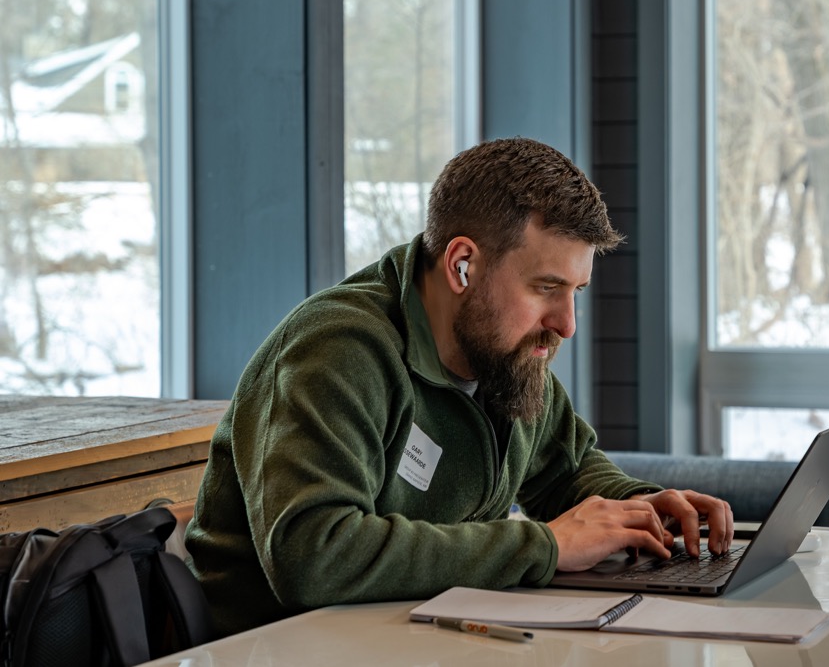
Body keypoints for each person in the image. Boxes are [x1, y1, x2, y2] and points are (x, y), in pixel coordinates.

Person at [185, 137, 734, 636]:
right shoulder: (338, 350)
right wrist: (545, 545)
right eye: (547, 288)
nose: (566, 323)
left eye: (576, 291)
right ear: (464, 265)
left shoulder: (501, 352)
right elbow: (315, 554)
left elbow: (566, 469)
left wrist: (636, 508)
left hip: (414, 640)